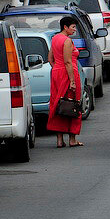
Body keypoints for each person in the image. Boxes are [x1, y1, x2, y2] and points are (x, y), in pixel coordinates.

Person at [47, 16, 83, 148]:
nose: (74, 30)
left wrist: (57, 69)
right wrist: (72, 80)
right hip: (68, 74)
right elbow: (68, 61)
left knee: (58, 103)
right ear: (65, 27)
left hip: (57, 73)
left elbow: (50, 59)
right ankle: (72, 139)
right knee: (72, 104)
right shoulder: (67, 41)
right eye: (73, 27)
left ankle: (59, 140)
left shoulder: (55, 38)